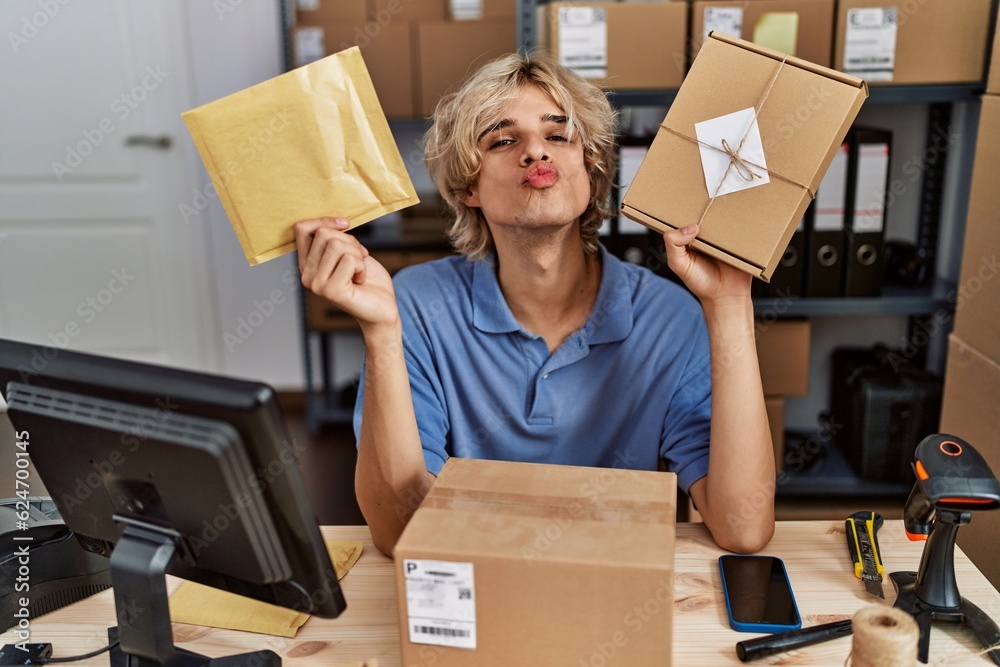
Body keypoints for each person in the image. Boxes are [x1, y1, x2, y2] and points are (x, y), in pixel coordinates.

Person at [294, 52, 775, 557]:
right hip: (479, 585)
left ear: (591, 169)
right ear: (468, 188)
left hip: (615, 587)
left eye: (558, 135)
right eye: (504, 140)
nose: (535, 152)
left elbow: (742, 528)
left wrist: (729, 302)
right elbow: (401, 532)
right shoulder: (414, 305)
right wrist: (381, 332)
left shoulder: (669, 318)